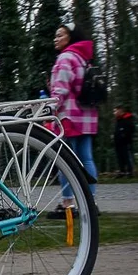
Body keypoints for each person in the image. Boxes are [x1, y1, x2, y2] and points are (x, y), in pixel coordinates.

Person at [48, 23, 99, 216]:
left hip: (68, 116)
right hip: (88, 116)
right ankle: (90, 202)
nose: (56, 38)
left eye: (60, 35)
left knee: (65, 160)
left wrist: (50, 107)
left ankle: (67, 203)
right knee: (86, 158)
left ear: (70, 38)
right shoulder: (85, 58)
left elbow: (60, 89)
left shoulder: (65, 58)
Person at [113, 105, 135, 178]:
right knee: (120, 158)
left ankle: (130, 172)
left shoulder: (128, 119)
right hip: (118, 142)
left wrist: (124, 135)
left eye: (116, 111)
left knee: (127, 157)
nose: (114, 113)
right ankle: (122, 171)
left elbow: (131, 130)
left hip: (125, 142)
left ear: (120, 111)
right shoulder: (118, 120)